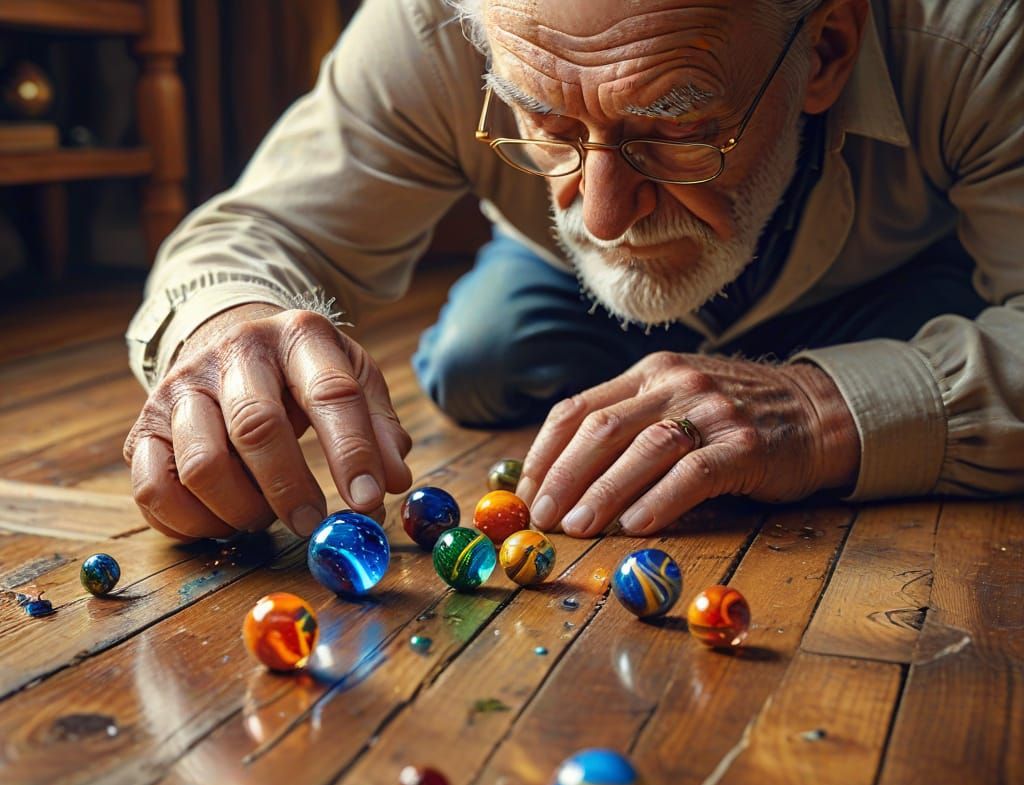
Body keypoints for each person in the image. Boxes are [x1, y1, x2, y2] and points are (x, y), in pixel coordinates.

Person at [123, 0, 1024, 542]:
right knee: (484, 359)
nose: (598, 212)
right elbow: (253, 232)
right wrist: (222, 328)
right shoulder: (425, 25)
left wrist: (829, 410)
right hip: (554, 286)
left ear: (827, 47)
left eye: (673, 127)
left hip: (895, 284)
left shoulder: (977, 40)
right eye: (546, 127)